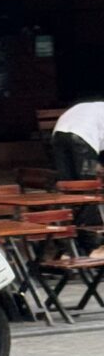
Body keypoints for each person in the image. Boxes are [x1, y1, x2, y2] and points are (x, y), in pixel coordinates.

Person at [51, 102, 104, 255]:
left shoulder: (96, 107)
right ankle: (92, 244)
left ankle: (72, 242)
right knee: (87, 191)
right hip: (82, 137)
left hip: (60, 133)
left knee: (69, 189)